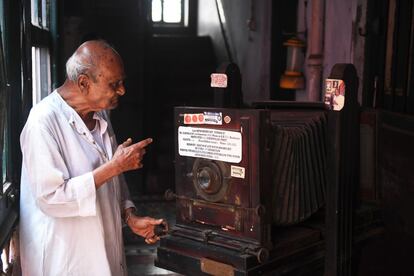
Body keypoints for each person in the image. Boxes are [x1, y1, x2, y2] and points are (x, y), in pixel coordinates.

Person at [19, 40, 163, 276]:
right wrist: (115, 166)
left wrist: (129, 216)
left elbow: (111, 176)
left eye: (122, 82)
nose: (122, 90)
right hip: (65, 259)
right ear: (84, 83)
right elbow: (51, 198)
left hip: (105, 251)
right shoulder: (43, 122)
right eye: (114, 84)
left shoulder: (100, 114)